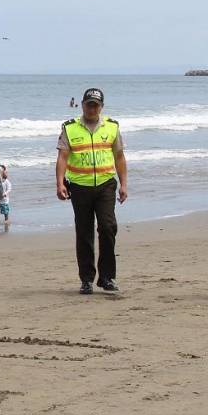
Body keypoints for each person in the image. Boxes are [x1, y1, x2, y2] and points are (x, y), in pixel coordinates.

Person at [56, 87, 128, 295]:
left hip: (106, 184)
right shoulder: (70, 128)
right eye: (89, 104)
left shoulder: (112, 127)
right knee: (84, 232)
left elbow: (120, 157)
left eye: (96, 105)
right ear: (83, 105)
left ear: (101, 107)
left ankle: (107, 277)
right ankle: (86, 279)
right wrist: (60, 183)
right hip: (79, 187)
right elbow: (62, 157)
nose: (92, 109)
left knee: (108, 227)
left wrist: (123, 184)